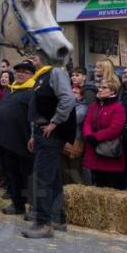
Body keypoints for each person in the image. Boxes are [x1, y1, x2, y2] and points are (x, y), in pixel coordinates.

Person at [23, 54, 76, 238]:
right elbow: (36, 108)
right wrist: (32, 134)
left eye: (35, 54)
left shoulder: (56, 72)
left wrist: (55, 122)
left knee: (42, 177)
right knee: (52, 178)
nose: (32, 57)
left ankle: (43, 223)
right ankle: (57, 219)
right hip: (41, 132)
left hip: (51, 133)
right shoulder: (41, 76)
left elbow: (68, 99)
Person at [82, 76, 127, 190]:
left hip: (108, 150)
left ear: (112, 91)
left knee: (111, 186)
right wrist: (88, 135)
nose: (100, 89)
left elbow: (115, 129)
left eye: (104, 87)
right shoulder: (94, 106)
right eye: (100, 87)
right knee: (97, 184)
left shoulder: (118, 107)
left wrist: (96, 137)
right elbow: (87, 122)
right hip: (93, 149)